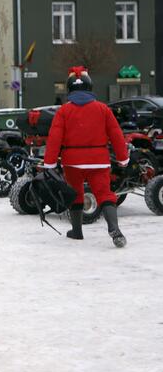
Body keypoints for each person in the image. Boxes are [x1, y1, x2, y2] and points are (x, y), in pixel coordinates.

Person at [44, 66, 129, 247]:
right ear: (89, 87)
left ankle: (77, 231)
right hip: (99, 161)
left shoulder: (64, 111)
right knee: (104, 194)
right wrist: (123, 158)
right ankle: (115, 230)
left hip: (72, 162)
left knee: (75, 193)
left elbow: (54, 138)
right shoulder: (103, 109)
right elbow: (116, 134)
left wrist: (49, 162)